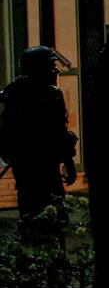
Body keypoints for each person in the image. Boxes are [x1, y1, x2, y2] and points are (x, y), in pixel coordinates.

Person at [0, 46, 77, 224]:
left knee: (33, 219)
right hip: (41, 170)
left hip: (28, 170)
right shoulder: (50, 95)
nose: (56, 70)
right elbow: (59, 133)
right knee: (51, 220)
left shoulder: (13, 94)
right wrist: (68, 162)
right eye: (51, 67)